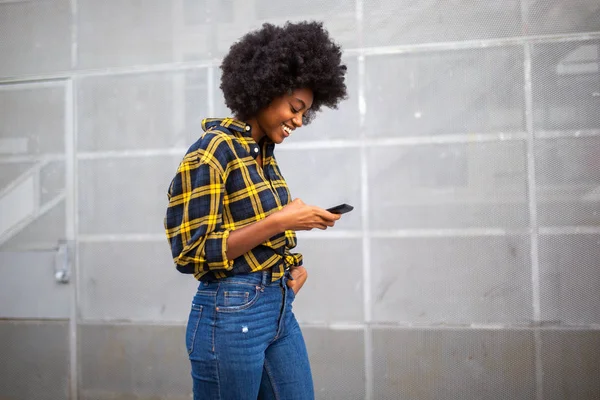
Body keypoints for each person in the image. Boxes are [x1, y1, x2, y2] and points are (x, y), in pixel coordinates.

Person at [164, 21, 347, 400]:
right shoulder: (213, 150)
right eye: (295, 108)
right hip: (229, 317)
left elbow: (257, 236)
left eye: (305, 113)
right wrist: (281, 219)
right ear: (265, 89)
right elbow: (191, 252)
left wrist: (288, 274)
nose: (299, 120)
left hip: (277, 308)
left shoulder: (264, 157)